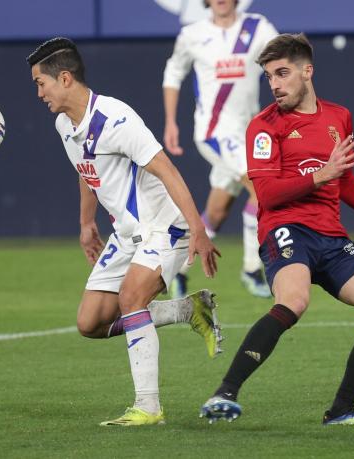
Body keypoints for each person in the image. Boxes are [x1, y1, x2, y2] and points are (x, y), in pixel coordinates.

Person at [199, 33, 354, 426]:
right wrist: (320, 174)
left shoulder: (338, 116)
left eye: (282, 73)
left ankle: (341, 410)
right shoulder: (263, 127)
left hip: (330, 237)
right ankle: (223, 394)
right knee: (293, 301)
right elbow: (267, 193)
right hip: (286, 229)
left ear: (307, 71)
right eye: (268, 76)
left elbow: (343, 181)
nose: (275, 84)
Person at [26, 37, 222, 426]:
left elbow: (166, 170)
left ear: (64, 78)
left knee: (132, 298)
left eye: (40, 83)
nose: (38, 93)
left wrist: (198, 228)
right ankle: (189, 308)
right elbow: (87, 172)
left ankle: (148, 407)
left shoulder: (117, 119)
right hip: (127, 233)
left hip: (165, 226)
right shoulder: (65, 124)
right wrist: (86, 224)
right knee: (90, 323)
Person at [162, 0, 278, 298]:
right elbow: (173, 73)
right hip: (214, 133)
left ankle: (177, 272)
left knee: (216, 211)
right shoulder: (193, 34)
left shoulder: (257, 27)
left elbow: (283, 58)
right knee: (261, 188)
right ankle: (252, 269)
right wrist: (171, 122)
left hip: (250, 134)